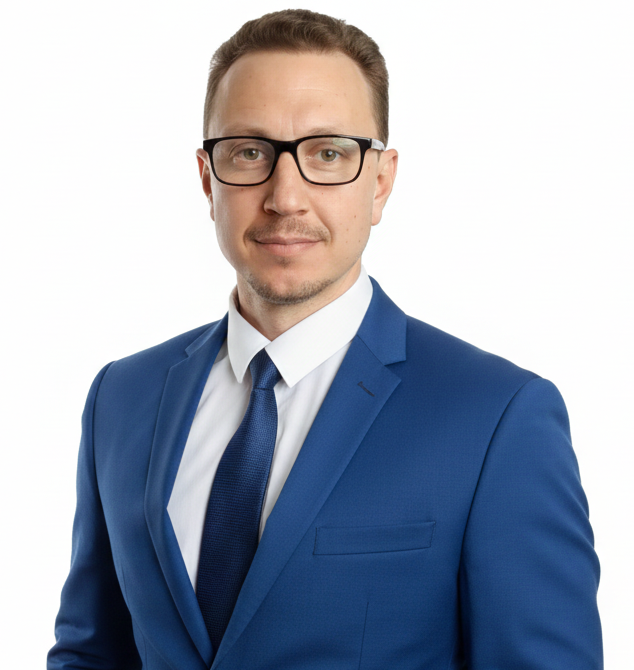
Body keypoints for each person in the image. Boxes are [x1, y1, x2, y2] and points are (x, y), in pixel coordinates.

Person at [48, 9, 603, 670]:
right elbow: (90, 653)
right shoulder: (121, 397)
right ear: (207, 178)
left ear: (380, 181)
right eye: (250, 152)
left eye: (328, 154)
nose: (286, 197)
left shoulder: (497, 418)